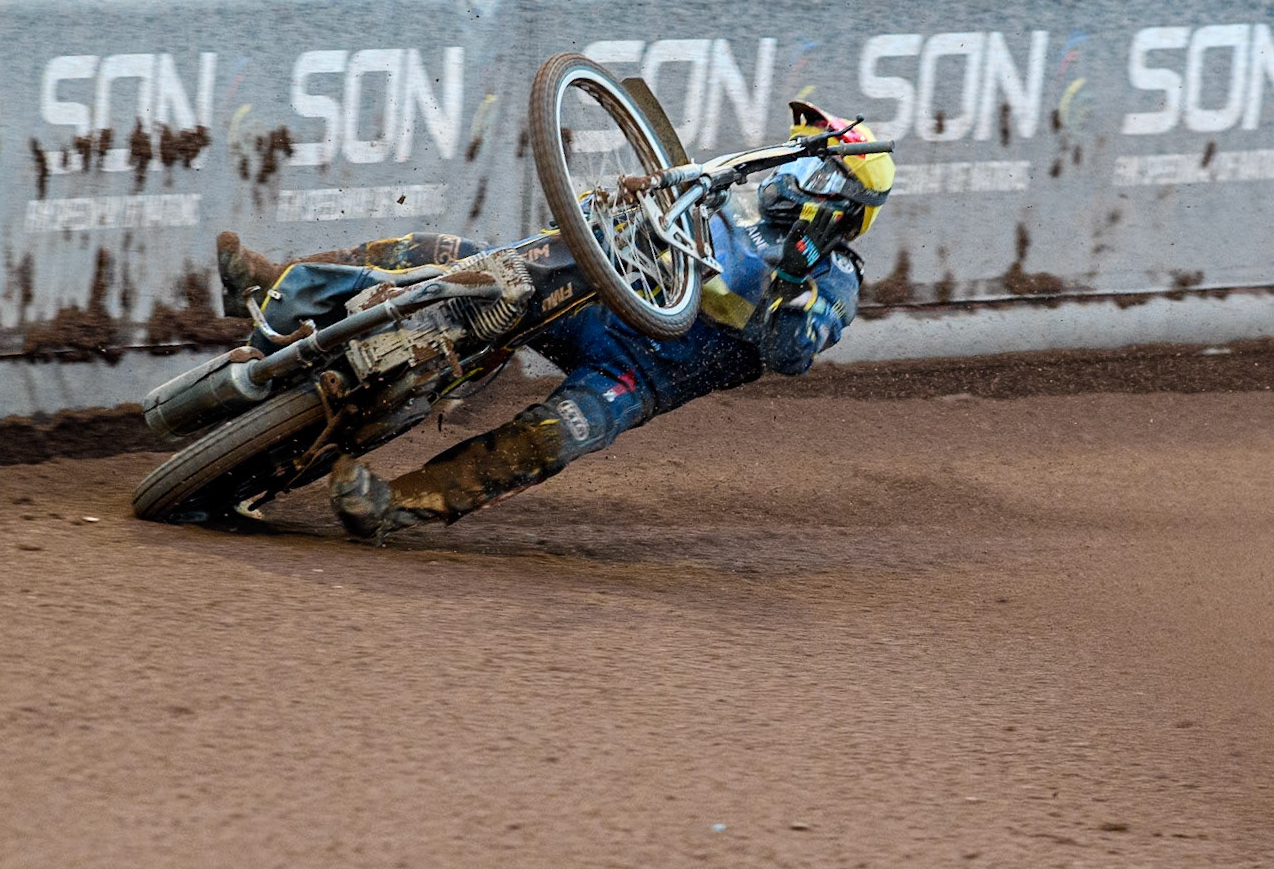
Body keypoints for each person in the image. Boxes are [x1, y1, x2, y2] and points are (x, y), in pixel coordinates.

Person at [219, 102, 894, 543]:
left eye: (820, 170)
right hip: (584, 298)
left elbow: (791, 353)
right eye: (802, 157)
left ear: (845, 205)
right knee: (442, 255)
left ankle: (394, 504)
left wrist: (797, 278)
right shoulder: (727, 193)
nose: (800, 173)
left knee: (551, 438)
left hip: (639, 373)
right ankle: (283, 284)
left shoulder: (837, 280)